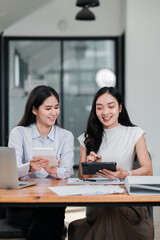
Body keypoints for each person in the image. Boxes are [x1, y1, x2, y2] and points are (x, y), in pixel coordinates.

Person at [68, 87, 154, 240]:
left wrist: (125, 174)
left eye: (111, 106)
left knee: (111, 213)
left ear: (120, 108)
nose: (105, 112)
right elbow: (82, 175)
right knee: (107, 211)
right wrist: (90, 167)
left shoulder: (135, 133)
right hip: (98, 201)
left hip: (127, 200)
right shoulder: (87, 138)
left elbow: (148, 170)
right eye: (99, 107)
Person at [7, 85, 74, 240]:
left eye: (56, 107)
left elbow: (68, 171)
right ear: (34, 110)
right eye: (48, 108)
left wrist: (54, 171)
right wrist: (29, 167)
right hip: (23, 204)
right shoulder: (19, 133)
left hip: (52, 201)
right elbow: (11, 172)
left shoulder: (65, 136)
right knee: (48, 222)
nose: (54, 112)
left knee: (48, 214)